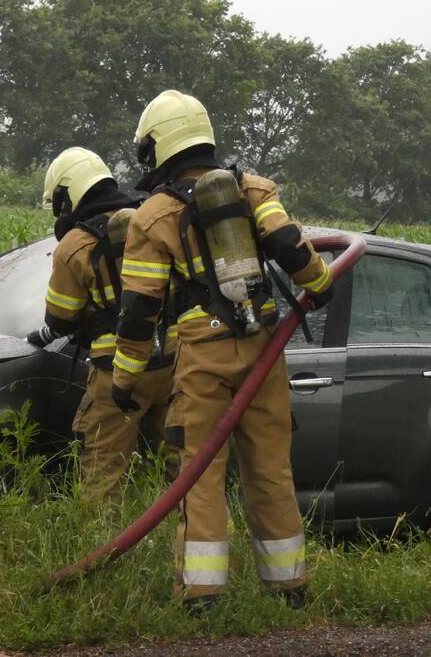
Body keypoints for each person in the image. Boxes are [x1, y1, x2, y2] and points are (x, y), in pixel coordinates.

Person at [111, 90, 332, 610]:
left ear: (158, 146)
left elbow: (140, 310)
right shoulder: (254, 189)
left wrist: (124, 377)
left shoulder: (152, 216)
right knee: (270, 468)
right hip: (261, 350)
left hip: (203, 357)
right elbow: (290, 246)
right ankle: (290, 588)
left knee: (201, 473)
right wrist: (320, 283)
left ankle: (202, 594)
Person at [27, 147, 176, 500]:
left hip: (117, 372)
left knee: (103, 471)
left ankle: (104, 533)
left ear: (68, 194)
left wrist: (41, 336)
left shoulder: (75, 245)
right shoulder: (150, 218)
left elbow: (62, 317)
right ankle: (190, 525)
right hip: (171, 362)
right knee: (181, 461)